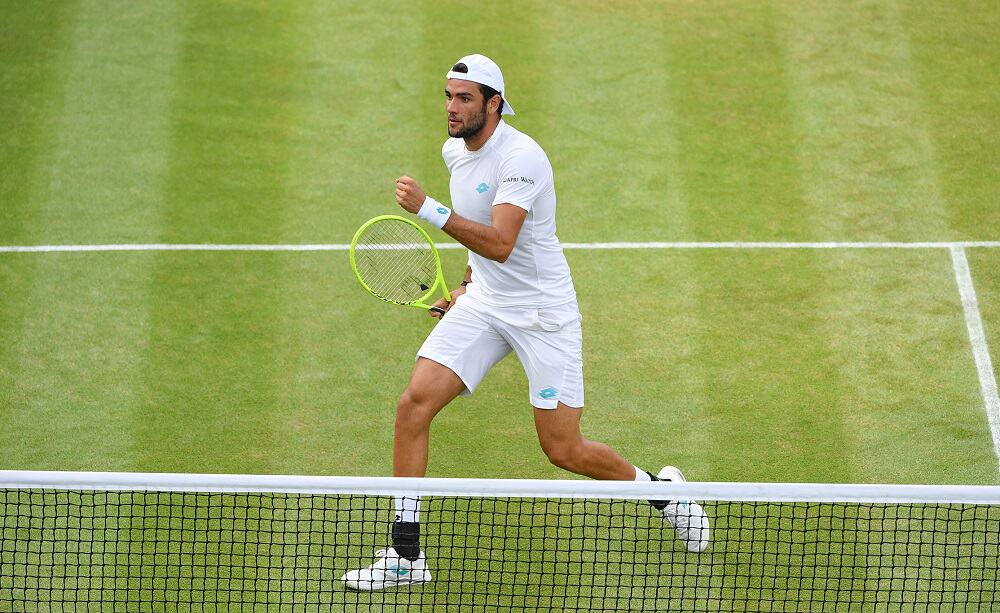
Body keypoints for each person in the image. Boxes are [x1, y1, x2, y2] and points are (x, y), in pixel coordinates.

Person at [342, 54, 709, 591]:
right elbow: (483, 244)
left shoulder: (523, 159)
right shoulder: (454, 152)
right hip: (486, 303)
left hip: (543, 314)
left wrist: (428, 210)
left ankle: (661, 492)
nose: (452, 107)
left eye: (464, 98)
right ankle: (406, 553)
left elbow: (503, 242)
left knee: (563, 449)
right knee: (413, 404)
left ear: (493, 104)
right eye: (448, 95)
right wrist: (468, 285)